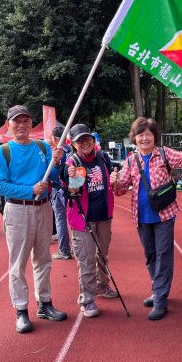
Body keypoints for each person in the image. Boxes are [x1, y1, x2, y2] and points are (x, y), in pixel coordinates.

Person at [110, 118, 182, 320]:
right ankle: (158, 289)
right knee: (151, 256)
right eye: (140, 135)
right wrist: (115, 182)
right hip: (142, 216)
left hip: (164, 214)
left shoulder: (164, 154)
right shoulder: (130, 160)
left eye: (148, 134)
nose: (144, 138)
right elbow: (121, 189)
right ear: (135, 138)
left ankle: (160, 299)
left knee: (164, 254)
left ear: (154, 137)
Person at [0, 105, 67, 334]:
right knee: (18, 264)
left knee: (43, 259)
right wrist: (30, 189)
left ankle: (44, 303)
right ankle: (21, 310)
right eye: (17, 121)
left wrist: (58, 161)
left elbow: (54, 177)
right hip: (18, 210)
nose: (21, 125)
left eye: (25, 120)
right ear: (9, 125)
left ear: (31, 123)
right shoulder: (3, 151)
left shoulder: (43, 147)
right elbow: (0, 185)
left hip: (43, 208)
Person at [64, 123, 118, 318]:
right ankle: (86, 299)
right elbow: (74, 192)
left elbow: (112, 179)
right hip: (83, 219)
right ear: (74, 144)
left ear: (94, 141)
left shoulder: (103, 158)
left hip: (104, 216)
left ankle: (102, 286)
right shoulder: (74, 162)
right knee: (86, 260)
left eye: (87, 139)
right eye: (80, 140)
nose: (85, 143)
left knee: (102, 254)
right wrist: (71, 181)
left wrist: (115, 179)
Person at [50, 126, 73, 260]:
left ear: (54, 138)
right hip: (70, 189)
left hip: (58, 189)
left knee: (60, 219)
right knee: (74, 219)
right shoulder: (71, 150)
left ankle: (64, 249)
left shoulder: (56, 153)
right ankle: (77, 247)